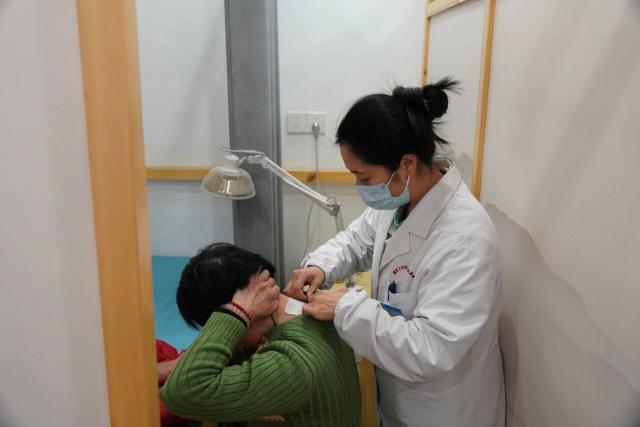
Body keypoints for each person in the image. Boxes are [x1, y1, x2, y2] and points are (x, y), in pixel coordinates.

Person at [285, 78, 505, 426]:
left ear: (407, 164)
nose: (359, 187)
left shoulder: (465, 237)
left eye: (364, 178)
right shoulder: (400, 199)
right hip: (399, 400)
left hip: (445, 412)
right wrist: (321, 266)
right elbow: (358, 239)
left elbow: (431, 349)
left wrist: (344, 308)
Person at [160, 243, 361, 426]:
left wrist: (235, 313)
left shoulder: (293, 362)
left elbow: (182, 394)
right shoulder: (310, 310)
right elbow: (225, 355)